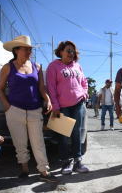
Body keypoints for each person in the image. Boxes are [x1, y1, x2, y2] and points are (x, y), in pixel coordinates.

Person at [0, 35, 57, 182]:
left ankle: (44, 172)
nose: (29, 52)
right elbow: (0, 89)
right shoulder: (7, 67)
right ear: (16, 50)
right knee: (20, 142)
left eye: (30, 49)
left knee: (38, 142)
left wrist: (48, 100)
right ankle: (25, 169)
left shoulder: (37, 67)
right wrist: (7, 106)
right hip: (14, 111)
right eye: (26, 49)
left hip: (35, 110)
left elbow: (41, 87)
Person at [46, 40, 89, 175]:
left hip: (77, 104)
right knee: (63, 135)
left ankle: (77, 161)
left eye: (73, 52)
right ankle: (65, 162)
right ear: (61, 51)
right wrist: (55, 105)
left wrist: (84, 94)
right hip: (62, 106)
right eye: (68, 51)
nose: (71, 54)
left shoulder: (78, 66)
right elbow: (51, 87)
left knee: (76, 134)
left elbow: (84, 82)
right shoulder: (53, 66)